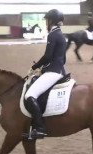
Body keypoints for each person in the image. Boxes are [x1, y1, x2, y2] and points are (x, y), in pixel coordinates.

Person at [24, 9, 67, 139]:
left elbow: (48, 56)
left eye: (47, 20)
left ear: (51, 21)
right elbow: (62, 59)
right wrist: (43, 69)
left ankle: (40, 128)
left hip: (54, 72)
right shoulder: (61, 34)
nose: (46, 23)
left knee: (30, 95)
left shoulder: (53, 35)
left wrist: (35, 66)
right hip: (58, 70)